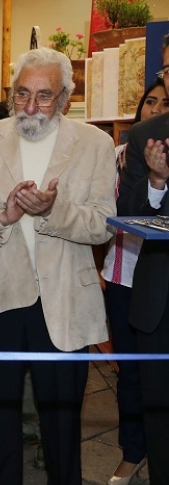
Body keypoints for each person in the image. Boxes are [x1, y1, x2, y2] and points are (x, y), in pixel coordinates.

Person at [0, 47, 116, 484]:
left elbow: (103, 226)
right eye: (22, 93)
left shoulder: (95, 144)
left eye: (44, 96)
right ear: (10, 93)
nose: (31, 106)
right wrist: (3, 217)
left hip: (65, 301)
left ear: (64, 100)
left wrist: (52, 211)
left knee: (63, 426)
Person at [103, 77, 169, 485]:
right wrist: (157, 183)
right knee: (150, 394)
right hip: (154, 292)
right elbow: (125, 213)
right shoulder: (145, 138)